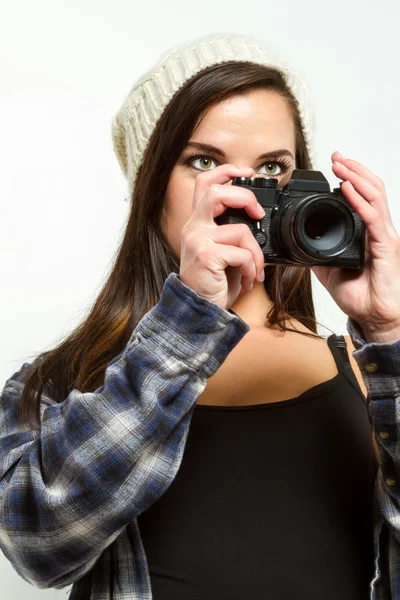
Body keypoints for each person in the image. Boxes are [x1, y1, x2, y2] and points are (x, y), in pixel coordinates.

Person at [1, 33, 400, 600]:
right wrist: (185, 325)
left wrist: (389, 334)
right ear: (152, 189)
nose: (243, 196)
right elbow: (38, 547)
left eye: (273, 167)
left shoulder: (371, 370)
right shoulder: (62, 382)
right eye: (205, 162)